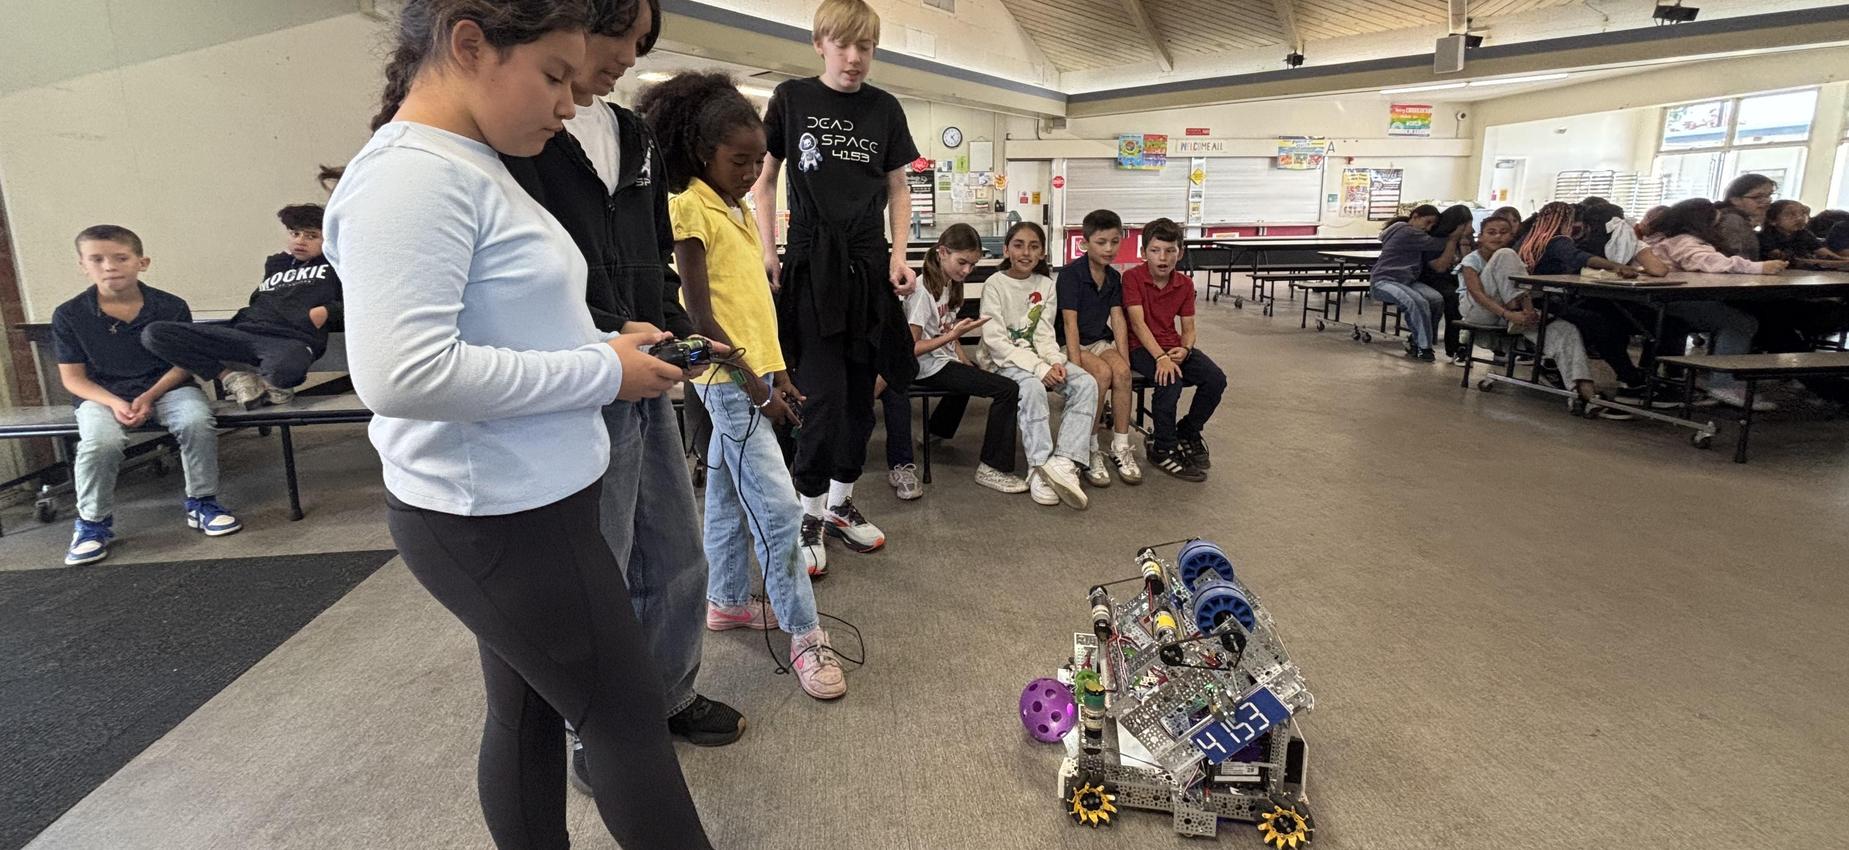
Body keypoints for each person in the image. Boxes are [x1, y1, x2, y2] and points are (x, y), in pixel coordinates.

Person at [322, 2, 711, 847]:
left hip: (532, 499)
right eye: (554, 76)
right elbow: (402, 372)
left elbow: (497, 322)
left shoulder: (473, 161)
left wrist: (605, 342)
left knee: (534, 715)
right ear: (469, 44)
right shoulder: (412, 177)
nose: (570, 103)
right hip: (494, 516)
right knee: (626, 722)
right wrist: (603, 369)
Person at [495, 0, 746, 795]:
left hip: (650, 364)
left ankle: (668, 693)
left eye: (641, 47)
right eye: (617, 40)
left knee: (675, 550)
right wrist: (607, 347)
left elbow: (646, 254)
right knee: (594, 570)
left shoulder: (631, 136)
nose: (625, 60)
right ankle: (591, 727)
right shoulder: (526, 129)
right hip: (574, 375)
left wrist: (677, 329)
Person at [642, 70, 849, 701]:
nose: (752, 171)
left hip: (755, 372)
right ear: (703, 152)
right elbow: (698, 317)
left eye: (761, 160)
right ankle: (805, 632)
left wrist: (780, 371)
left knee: (731, 497)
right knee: (781, 508)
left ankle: (727, 601)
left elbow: (754, 304)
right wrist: (756, 388)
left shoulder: (735, 208)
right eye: (739, 160)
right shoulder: (687, 207)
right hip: (724, 379)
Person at [753, 0, 919, 575]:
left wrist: (898, 257)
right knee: (820, 396)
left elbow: (899, 190)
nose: (854, 59)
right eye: (843, 46)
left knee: (858, 396)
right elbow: (766, 179)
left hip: (868, 264)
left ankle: (841, 505)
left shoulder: (884, 108)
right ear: (820, 44)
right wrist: (768, 250)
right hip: (810, 261)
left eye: (865, 48)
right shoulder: (792, 98)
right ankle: (808, 510)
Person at [54, 225, 240, 565]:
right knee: (100, 442)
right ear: (82, 265)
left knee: (197, 421)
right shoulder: (69, 314)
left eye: (121, 258)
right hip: (103, 395)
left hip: (167, 387)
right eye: (97, 259)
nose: (110, 266)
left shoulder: (170, 306)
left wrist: (150, 395)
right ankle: (92, 523)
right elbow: (74, 378)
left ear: (142, 262)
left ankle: (202, 502)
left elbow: (185, 363)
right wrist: (114, 402)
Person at [141, 204, 342, 410]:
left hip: (289, 340)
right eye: (295, 233)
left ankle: (272, 384)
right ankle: (233, 378)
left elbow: (356, 305)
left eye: (311, 236)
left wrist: (327, 311)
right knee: (155, 334)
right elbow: (261, 301)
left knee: (286, 366)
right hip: (244, 332)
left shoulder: (336, 266)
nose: (300, 240)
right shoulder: (277, 264)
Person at [879, 224, 1027, 494]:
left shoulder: (948, 285)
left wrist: (960, 352)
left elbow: (945, 329)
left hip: (940, 359)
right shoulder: (923, 291)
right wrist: (951, 338)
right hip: (923, 366)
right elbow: (909, 349)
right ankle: (992, 467)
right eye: (962, 263)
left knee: (970, 372)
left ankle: (935, 432)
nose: (967, 271)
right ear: (942, 252)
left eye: (972, 264)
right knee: (1008, 389)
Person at [1460, 217, 1629, 419]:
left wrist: (1523, 315)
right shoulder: (1473, 259)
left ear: (1512, 234)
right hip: (1483, 312)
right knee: (1505, 255)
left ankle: (1583, 392)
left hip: (1518, 317)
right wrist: (1511, 313)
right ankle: (1522, 309)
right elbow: (1477, 294)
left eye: (1503, 232)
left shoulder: (1516, 260)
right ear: (1481, 236)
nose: (1498, 236)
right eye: (1492, 232)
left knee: (1566, 330)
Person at [979, 222, 1096, 509]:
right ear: (1006, 249)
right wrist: (1039, 369)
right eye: (1018, 245)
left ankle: (1064, 462)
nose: (1026, 252)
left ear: (1043, 253)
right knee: (1031, 387)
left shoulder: (1046, 285)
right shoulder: (995, 284)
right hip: (1002, 361)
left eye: (1034, 246)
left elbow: (1044, 335)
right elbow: (996, 341)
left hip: (1039, 359)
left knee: (1085, 383)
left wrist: (1054, 362)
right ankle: (1040, 467)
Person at [1642, 198, 1784, 412]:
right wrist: (1758, 267)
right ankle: (1722, 384)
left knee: (1734, 318)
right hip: (1670, 302)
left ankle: (1716, 377)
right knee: (1741, 323)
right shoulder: (1685, 241)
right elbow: (1709, 262)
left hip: (1665, 300)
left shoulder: (1665, 239)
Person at [1124, 218, 1225, 482]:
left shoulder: (1185, 284)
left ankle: (1188, 431)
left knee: (1215, 378)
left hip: (1173, 345)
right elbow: (1137, 323)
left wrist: (1186, 349)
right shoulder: (1132, 278)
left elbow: (1188, 326)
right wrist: (1160, 358)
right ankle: (1163, 447)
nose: (1163, 257)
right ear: (1144, 252)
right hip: (1142, 348)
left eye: (1170, 250)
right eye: (1155, 250)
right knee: (1170, 381)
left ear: (1179, 253)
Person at [1057, 208, 1142, 485]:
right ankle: (1090, 448)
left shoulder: (1114, 277)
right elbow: (1069, 323)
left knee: (1122, 374)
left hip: (1099, 340)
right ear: (1086, 242)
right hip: (1071, 343)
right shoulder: (1071, 274)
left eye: (1114, 241)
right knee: (1101, 375)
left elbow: (1118, 319)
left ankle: (1119, 445)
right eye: (1101, 242)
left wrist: (1124, 358)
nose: (1108, 248)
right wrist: (1076, 365)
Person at [1369, 204, 1469, 361]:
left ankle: (1418, 340)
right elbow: (1437, 244)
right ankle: (1424, 347)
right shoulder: (1406, 231)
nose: (1428, 228)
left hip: (1407, 281)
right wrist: (1455, 237)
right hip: (1384, 281)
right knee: (1416, 302)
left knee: (1436, 299)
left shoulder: (1410, 231)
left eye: (1432, 225)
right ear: (1415, 216)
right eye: (1427, 222)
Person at [1422, 204, 1475, 364]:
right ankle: (1456, 347)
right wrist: (1452, 241)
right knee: (1454, 298)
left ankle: (1467, 344)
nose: (1472, 229)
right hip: (1433, 279)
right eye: (1467, 225)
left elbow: (1470, 266)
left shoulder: (1468, 240)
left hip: (1456, 280)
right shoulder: (1435, 241)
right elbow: (1439, 267)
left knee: (1470, 294)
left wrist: (1464, 243)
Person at [1760, 200, 1846, 264]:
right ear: (1772, 220)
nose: (1799, 218)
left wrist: (1842, 260)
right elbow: (1785, 260)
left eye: (1802, 213)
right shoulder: (1765, 236)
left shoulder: (1804, 233)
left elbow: (1826, 254)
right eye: (1790, 214)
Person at [1713, 173, 1776, 260]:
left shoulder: (1746, 220)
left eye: (1769, 195)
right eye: (1757, 197)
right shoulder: (1732, 220)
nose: (1767, 201)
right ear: (1735, 200)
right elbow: (1736, 259)